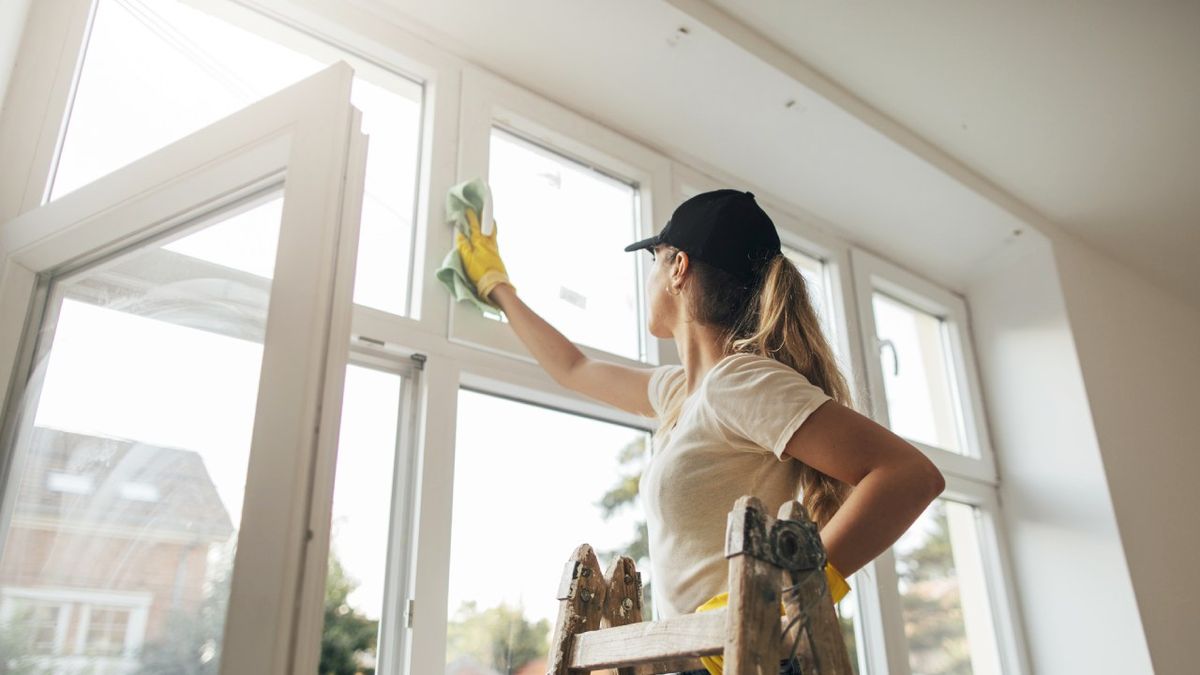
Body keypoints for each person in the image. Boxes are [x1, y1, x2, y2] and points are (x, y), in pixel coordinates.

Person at [455, 188, 946, 675]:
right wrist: (498, 286)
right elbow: (574, 367)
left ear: (678, 268)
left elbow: (909, 475)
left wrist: (778, 599)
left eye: (653, 259)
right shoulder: (679, 394)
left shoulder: (740, 381)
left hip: (748, 658)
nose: (647, 277)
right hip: (705, 658)